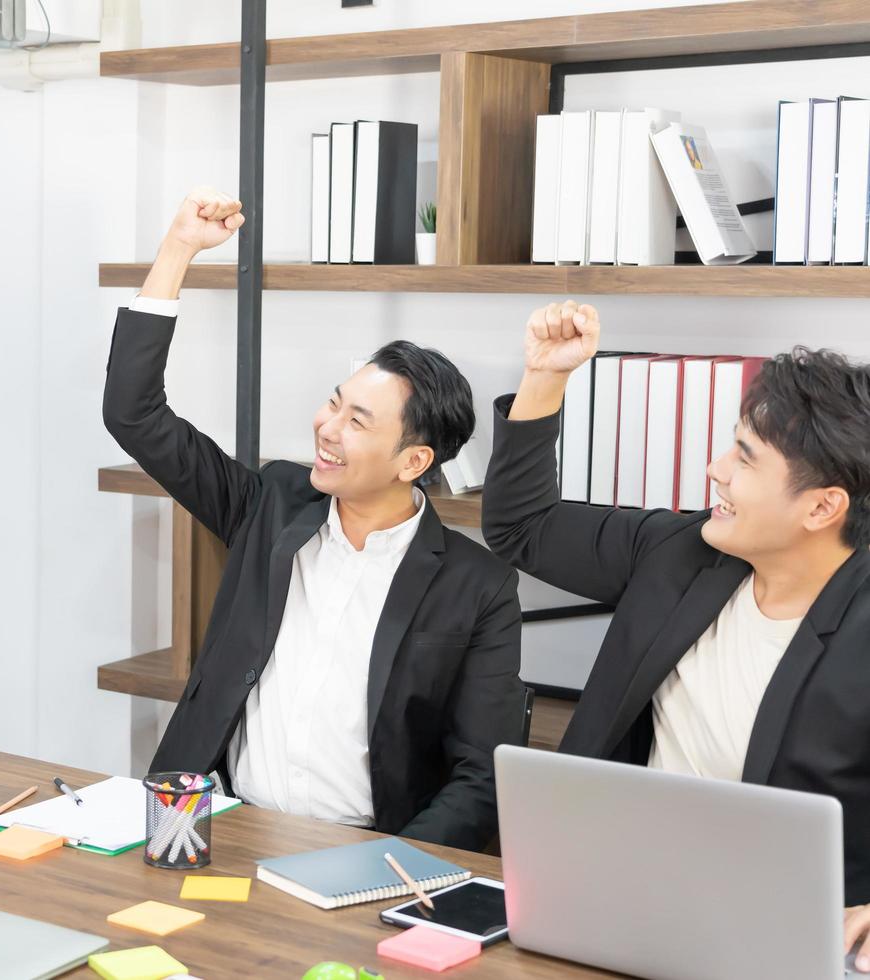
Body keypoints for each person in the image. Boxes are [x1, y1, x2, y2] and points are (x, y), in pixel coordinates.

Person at [103, 188, 525, 850]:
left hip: (365, 852)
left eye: (356, 421)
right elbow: (135, 415)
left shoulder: (477, 587)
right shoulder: (270, 504)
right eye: (334, 404)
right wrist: (179, 248)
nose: (325, 428)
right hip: (211, 829)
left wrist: (386, 872)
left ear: (412, 460)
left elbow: (480, 778)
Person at [481, 300, 870, 963]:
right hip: (618, 898)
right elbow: (523, 528)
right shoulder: (684, 551)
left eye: (744, 459)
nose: (715, 469)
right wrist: (546, 378)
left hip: (786, 939)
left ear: (823, 506)